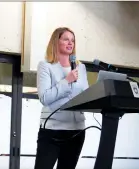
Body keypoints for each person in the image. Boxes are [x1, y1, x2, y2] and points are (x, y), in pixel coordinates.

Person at [34, 27, 89, 169]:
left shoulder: (80, 67)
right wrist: (66, 81)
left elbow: (86, 94)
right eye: (66, 39)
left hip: (76, 130)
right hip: (53, 130)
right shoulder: (46, 66)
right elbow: (45, 97)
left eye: (73, 40)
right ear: (56, 42)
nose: (70, 43)